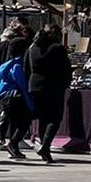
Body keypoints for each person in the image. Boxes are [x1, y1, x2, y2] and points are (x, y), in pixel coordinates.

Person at [25, 26, 73, 162]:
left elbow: (26, 67)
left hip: (35, 85)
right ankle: (45, 146)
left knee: (43, 118)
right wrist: (66, 83)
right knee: (55, 118)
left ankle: (44, 148)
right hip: (53, 86)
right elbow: (66, 68)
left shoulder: (32, 48)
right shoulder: (57, 48)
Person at [0, 48, 30, 160]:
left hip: (4, 96)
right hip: (15, 96)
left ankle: (8, 144)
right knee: (22, 123)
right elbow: (22, 84)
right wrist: (29, 101)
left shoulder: (6, 65)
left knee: (10, 120)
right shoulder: (18, 65)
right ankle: (13, 145)